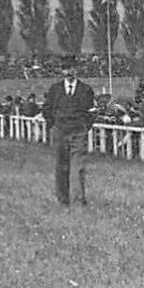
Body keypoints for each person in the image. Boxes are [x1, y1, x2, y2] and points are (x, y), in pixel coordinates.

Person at [42, 58, 97, 206]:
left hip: (78, 131)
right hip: (60, 131)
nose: (69, 72)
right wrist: (53, 126)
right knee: (61, 166)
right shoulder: (55, 89)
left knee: (78, 167)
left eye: (72, 68)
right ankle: (63, 199)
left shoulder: (86, 89)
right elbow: (46, 110)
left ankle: (78, 200)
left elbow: (91, 112)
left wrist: (85, 127)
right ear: (62, 71)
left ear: (76, 70)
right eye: (66, 69)